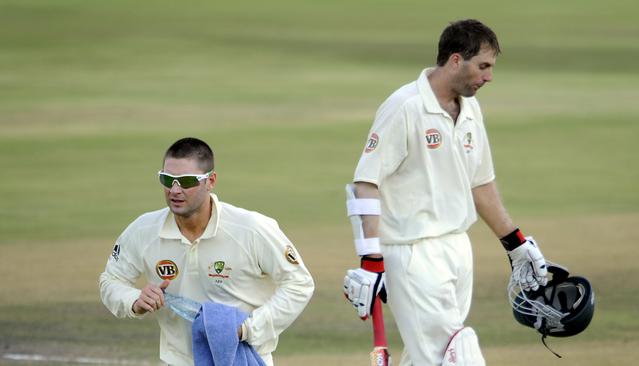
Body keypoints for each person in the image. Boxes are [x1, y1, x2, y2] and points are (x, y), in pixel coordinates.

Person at [342, 19, 548, 366]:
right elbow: (366, 182)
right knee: (453, 356)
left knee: (429, 355)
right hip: (411, 252)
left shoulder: (471, 111)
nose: (489, 77)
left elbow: (480, 183)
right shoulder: (405, 106)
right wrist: (371, 258)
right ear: (456, 60)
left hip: (456, 248)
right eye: (483, 66)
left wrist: (514, 242)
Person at [99, 137, 314, 366]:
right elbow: (111, 280)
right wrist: (134, 300)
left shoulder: (251, 229)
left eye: (187, 181)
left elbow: (299, 283)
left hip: (244, 359)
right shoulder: (143, 230)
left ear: (210, 181)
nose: (175, 190)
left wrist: (246, 330)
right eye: (167, 179)